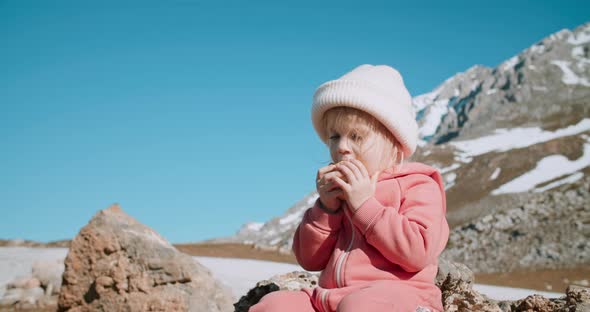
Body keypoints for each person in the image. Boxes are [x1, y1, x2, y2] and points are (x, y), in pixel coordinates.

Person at [250, 64, 449, 312]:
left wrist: (366, 206)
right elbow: (310, 260)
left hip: (401, 298)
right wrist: (325, 209)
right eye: (335, 136)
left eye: (356, 136)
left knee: (361, 305)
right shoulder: (338, 191)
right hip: (331, 298)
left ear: (394, 141)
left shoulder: (418, 184)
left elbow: (418, 252)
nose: (342, 147)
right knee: (275, 305)